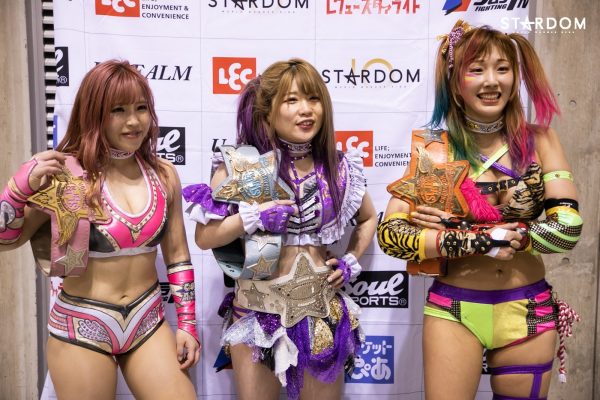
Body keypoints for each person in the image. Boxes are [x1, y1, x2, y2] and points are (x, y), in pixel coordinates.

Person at [377, 21, 581, 400]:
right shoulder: (435, 149)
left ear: (514, 77)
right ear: (456, 83)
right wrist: (482, 240)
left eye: (502, 69)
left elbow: (568, 230)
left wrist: (459, 234)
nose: (491, 81)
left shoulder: (541, 140)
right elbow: (391, 235)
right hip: (454, 311)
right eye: (477, 69)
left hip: (529, 312)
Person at [0, 60, 200, 398]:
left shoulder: (164, 174)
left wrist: (188, 324)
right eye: (118, 110)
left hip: (147, 321)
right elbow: (6, 241)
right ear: (94, 113)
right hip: (81, 324)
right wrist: (16, 192)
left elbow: (178, 255)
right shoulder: (64, 174)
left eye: (141, 108)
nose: (133, 121)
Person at [184, 58, 377, 400]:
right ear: (267, 111)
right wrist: (251, 217)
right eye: (292, 100)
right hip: (257, 313)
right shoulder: (242, 166)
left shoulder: (338, 166)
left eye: (313, 99)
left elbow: (368, 218)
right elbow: (205, 237)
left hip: (321, 310)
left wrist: (350, 260)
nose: (306, 110)